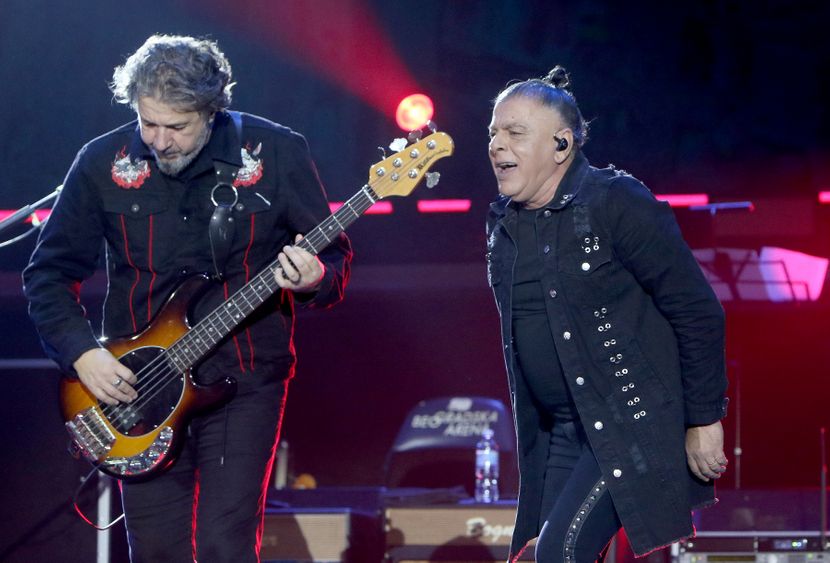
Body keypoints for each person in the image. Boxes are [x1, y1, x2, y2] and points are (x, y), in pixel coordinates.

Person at [23, 34, 352, 562]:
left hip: (244, 381)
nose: (159, 140)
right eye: (147, 122)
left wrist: (313, 278)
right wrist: (83, 354)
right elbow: (48, 274)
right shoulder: (102, 162)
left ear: (212, 110)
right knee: (156, 552)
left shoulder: (275, 152)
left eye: (176, 126)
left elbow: (333, 261)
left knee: (226, 546)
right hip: (140, 392)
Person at [485, 66, 729, 562]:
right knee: (535, 556)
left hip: (627, 421)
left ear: (561, 144)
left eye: (514, 132)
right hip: (557, 431)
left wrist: (704, 418)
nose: (496, 145)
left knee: (559, 553)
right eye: (492, 132)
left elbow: (697, 311)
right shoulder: (502, 226)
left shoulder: (615, 201)